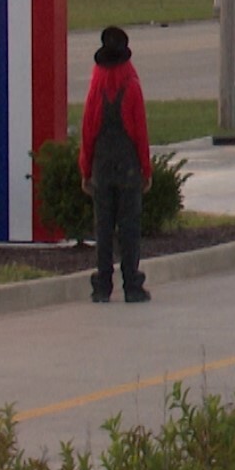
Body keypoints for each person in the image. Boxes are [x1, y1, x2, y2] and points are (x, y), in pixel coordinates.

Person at [79, 26, 153, 304]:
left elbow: (88, 131)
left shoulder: (96, 89)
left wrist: (86, 169)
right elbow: (140, 132)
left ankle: (102, 285)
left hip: (101, 164)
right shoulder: (131, 86)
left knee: (103, 228)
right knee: (129, 228)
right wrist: (146, 170)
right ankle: (131, 284)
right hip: (128, 165)